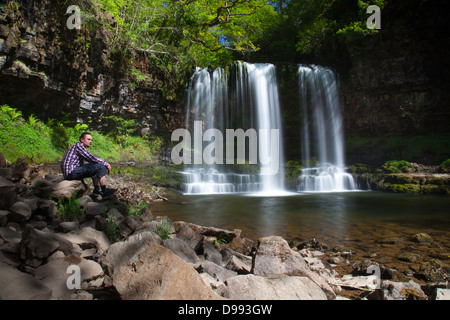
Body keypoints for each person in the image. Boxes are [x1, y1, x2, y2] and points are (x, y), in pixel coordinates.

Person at [61, 132, 117, 198]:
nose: (90, 141)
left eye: (91, 140)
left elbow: (91, 160)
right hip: (71, 173)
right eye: (88, 139)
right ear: (82, 140)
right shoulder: (79, 147)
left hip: (71, 172)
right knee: (100, 166)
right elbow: (91, 158)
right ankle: (104, 191)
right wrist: (106, 163)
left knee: (94, 165)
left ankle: (96, 189)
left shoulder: (77, 146)